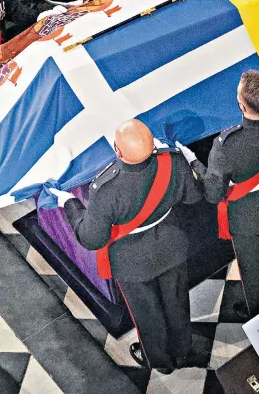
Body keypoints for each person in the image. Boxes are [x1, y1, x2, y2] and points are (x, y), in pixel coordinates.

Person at [49, 120, 201, 374]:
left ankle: (160, 361)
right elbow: (194, 196)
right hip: (171, 245)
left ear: (118, 153)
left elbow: (91, 238)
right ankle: (183, 351)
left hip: (132, 262)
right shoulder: (173, 162)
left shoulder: (105, 188)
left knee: (147, 313)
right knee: (177, 302)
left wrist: (70, 205)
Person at [180, 71, 259, 318]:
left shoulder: (227, 146)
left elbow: (214, 193)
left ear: (242, 106)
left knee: (255, 269)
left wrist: (194, 163)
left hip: (248, 215)